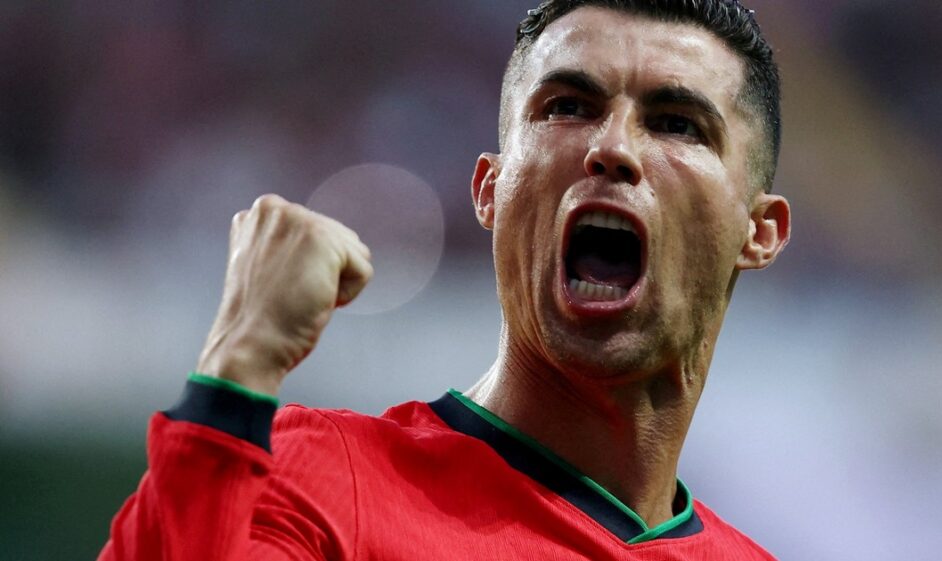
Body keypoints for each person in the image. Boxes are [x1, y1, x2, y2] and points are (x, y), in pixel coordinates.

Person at [99, 0, 791, 559]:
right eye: (567, 107)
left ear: (759, 230)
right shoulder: (322, 482)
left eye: (676, 124)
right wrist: (240, 361)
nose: (611, 147)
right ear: (490, 190)